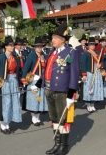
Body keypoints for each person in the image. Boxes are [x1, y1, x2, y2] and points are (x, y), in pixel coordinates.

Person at [44, 22, 80, 155]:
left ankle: (64, 146)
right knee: (54, 118)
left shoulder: (71, 52)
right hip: (49, 89)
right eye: (52, 38)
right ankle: (57, 144)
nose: (52, 40)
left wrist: (71, 94)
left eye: (55, 38)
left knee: (63, 119)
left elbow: (74, 74)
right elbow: (47, 70)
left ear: (63, 40)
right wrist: (39, 84)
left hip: (62, 91)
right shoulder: (51, 52)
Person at [0, 36, 22, 135]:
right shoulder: (0, 57)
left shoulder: (15, 57)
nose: (12, 47)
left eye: (13, 45)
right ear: (6, 47)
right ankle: (3, 126)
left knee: (11, 103)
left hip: (13, 81)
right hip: (3, 82)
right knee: (4, 104)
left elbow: (18, 72)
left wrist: (19, 83)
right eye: (10, 45)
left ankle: (8, 124)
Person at [21, 36, 48, 126]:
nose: (39, 48)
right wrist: (24, 78)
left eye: (40, 46)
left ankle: (38, 118)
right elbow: (26, 67)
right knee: (34, 98)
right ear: (35, 47)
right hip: (34, 79)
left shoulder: (43, 55)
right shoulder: (31, 55)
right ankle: (34, 118)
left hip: (41, 80)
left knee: (40, 99)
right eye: (37, 46)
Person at [81, 37, 104, 112]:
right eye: (91, 44)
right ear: (88, 45)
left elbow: (102, 61)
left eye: (93, 44)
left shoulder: (97, 53)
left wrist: (100, 65)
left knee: (95, 88)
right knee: (89, 88)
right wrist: (84, 74)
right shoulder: (85, 53)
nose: (92, 46)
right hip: (89, 72)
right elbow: (83, 64)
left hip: (97, 72)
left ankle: (92, 104)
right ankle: (88, 104)